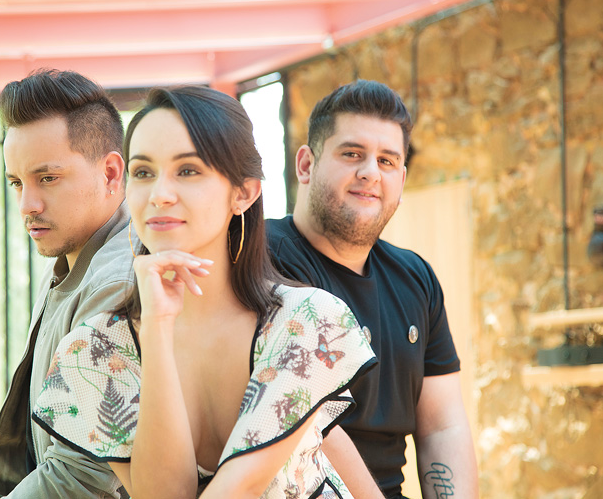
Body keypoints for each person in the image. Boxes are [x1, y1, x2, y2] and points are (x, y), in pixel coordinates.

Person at [30, 86, 379, 498]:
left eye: (188, 171)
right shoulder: (94, 350)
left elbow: (241, 488)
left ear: (243, 192)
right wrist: (156, 329)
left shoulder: (306, 321)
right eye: (143, 173)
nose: (159, 194)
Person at [266, 79, 479, 499]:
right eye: (352, 154)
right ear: (305, 165)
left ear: (401, 178)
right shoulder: (265, 260)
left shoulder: (416, 279)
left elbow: (443, 426)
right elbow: (314, 425)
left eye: (386, 161)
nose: (370, 172)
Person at [0, 69, 134, 498]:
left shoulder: (118, 281)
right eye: (16, 183)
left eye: (47, 178)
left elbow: (81, 477)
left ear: (110, 173)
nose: (27, 205)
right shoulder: (70, 258)